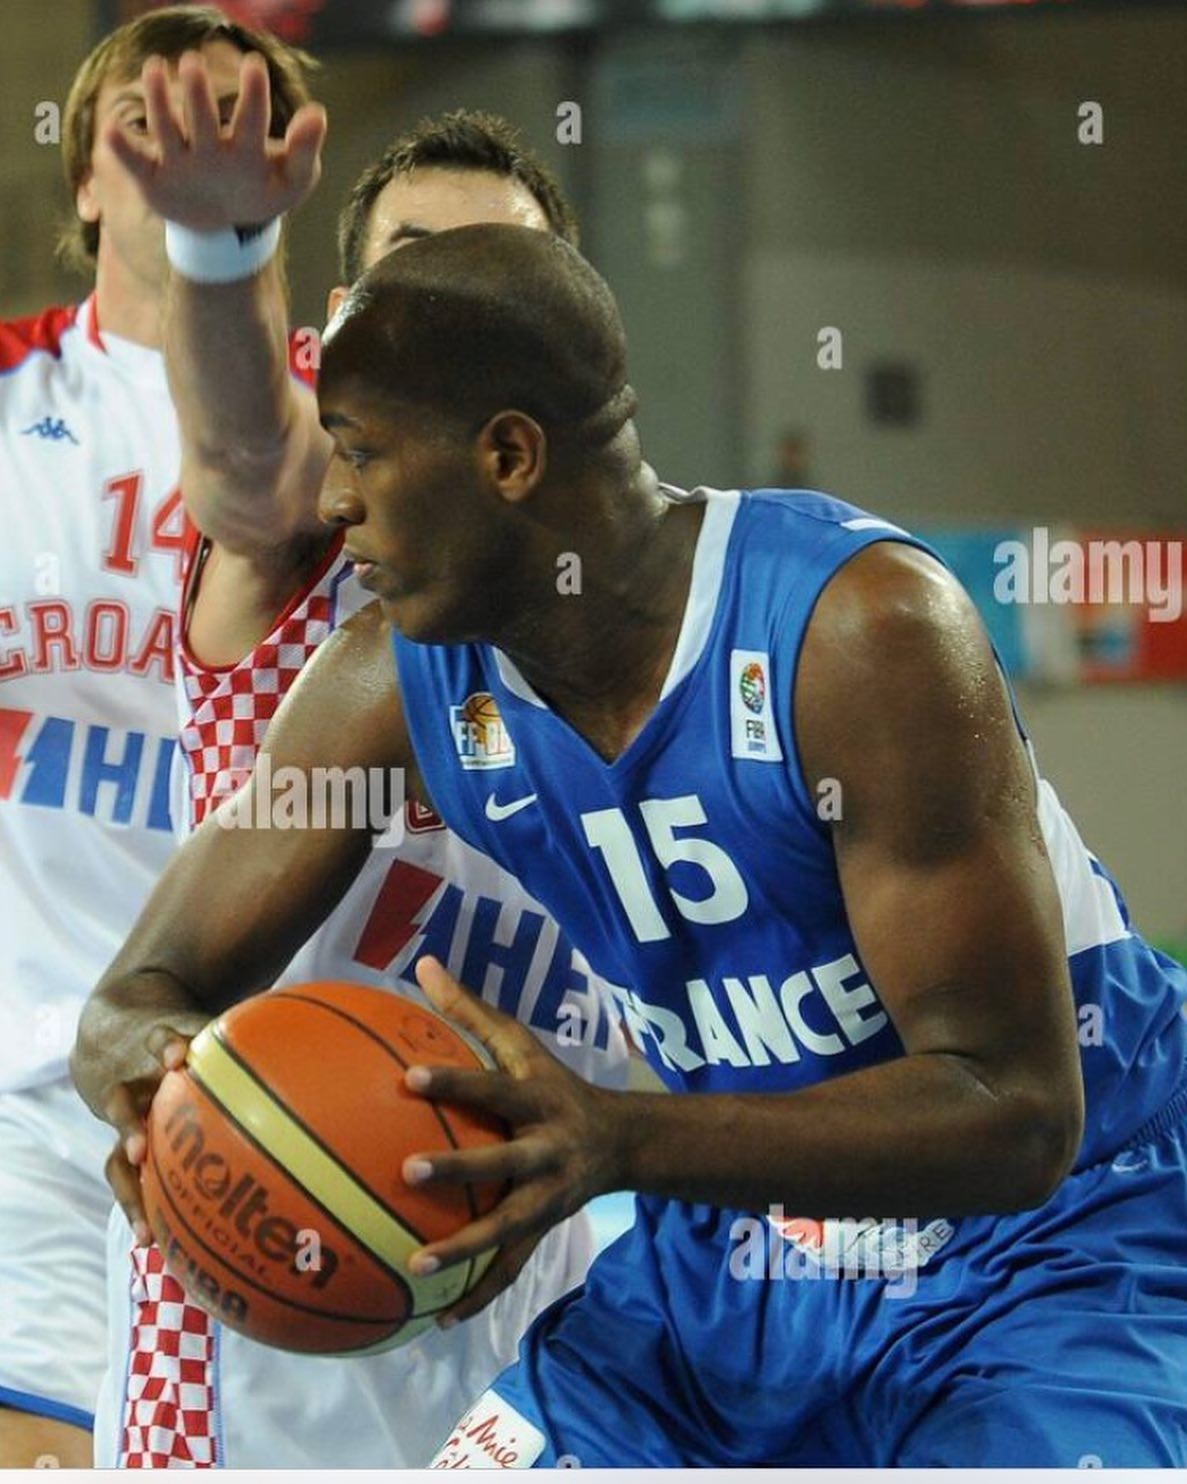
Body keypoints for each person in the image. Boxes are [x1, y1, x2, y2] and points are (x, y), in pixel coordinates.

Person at [78, 223, 1187, 1467]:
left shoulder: (857, 631)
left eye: (362, 451)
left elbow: (1015, 1111)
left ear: (507, 455)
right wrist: (172, 1088)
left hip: (1055, 1239)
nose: (335, 500)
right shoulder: (392, 679)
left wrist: (617, 1136)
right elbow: (136, 990)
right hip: (737, 1245)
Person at [71, 51, 630, 1468]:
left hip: (532, 1320)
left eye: (494, 268)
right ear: (338, 334)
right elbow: (245, 459)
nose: (450, 303)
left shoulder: (649, 611)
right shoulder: (303, 553)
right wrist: (220, 255)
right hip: (256, 1326)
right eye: (412, 267)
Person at [0, 6, 313, 1466]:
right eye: (148, 123)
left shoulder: (342, 423)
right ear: (82, 177)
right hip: (27, 1082)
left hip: (282, 1092)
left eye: (231, 122)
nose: (191, 153)